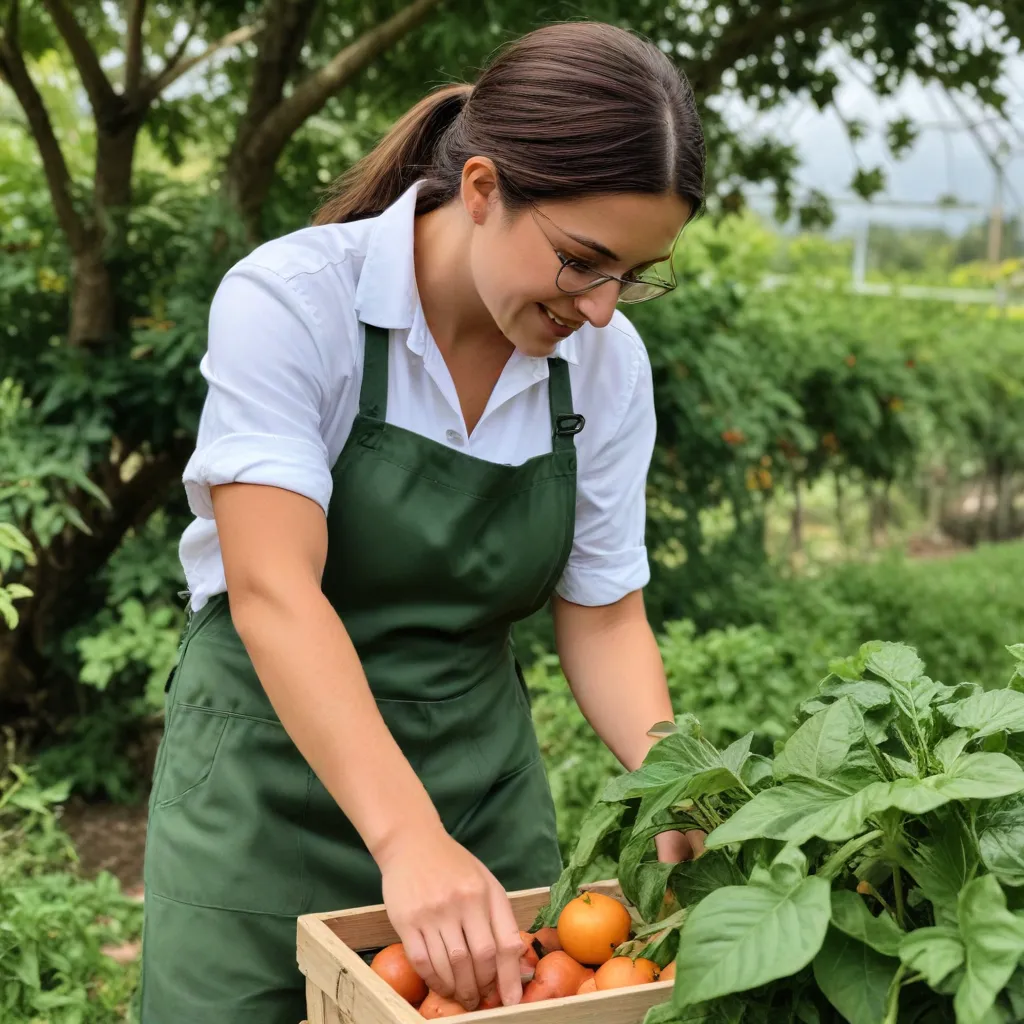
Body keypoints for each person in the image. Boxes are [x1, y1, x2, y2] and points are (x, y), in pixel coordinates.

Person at [139, 19, 706, 1024]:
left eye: (635, 272)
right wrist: (406, 839)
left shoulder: (603, 368)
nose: (607, 306)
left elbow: (606, 615)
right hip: (263, 794)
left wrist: (681, 788)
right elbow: (273, 590)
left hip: (476, 789)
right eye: (584, 260)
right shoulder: (296, 301)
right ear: (482, 189)